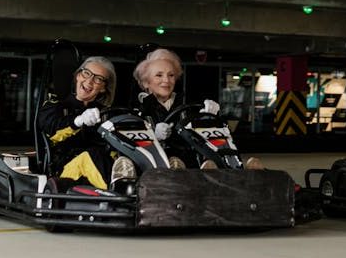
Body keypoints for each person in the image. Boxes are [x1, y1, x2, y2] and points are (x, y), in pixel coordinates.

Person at [132, 48, 263, 170]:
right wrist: (153, 136)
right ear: (146, 82)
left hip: (192, 159)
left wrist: (208, 117)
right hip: (158, 165)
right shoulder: (138, 109)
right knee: (175, 162)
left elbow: (199, 132)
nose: (166, 80)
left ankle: (236, 167)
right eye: (159, 75)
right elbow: (130, 145)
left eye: (171, 75)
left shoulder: (186, 103)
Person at [37, 56, 119, 189]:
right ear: (78, 76)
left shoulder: (106, 113)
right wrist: (78, 121)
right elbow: (52, 132)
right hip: (65, 169)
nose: (90, 81)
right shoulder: (55, 106)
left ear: (104, 87)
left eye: (98, 79)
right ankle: (123, 198)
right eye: (86, 73)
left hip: (100, 166)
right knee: (90, 156)